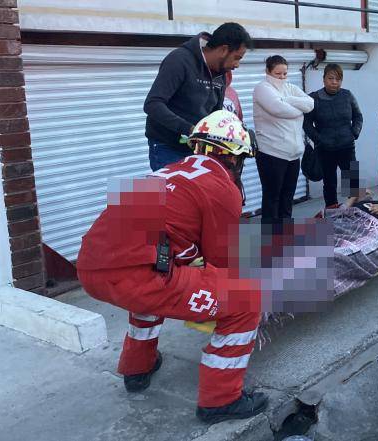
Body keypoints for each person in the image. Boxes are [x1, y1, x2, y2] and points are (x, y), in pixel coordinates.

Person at [77, 110, 268, 423]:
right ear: (234, 157)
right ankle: (220, 400)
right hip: (136, 274)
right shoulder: (222, 187)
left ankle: (137, 367)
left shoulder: (166, 172)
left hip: (90, 265)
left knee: (154, 285)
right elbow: (223, 262)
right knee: (246, 298)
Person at [144, 23, 252, 171]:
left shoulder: (221, 73)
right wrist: (190, 129)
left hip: (199, 148)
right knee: (169, 192)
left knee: (195, 193)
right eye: (237, 57)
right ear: (224, 49)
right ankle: (123, 195)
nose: (237, 65)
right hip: (167, 147)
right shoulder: (180, 60)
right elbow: (152, 104)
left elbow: (216, 114)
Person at [253, 55, 314, 222]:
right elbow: (279, 109)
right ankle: (269, 239)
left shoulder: (290, 88)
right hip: (271, 153)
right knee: (272, 198)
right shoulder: (262, 88)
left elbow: (310, 104)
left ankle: (285, 236)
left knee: (288, 197)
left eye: (284, 73)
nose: (281, 77)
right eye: (277, 73)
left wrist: (289, 100)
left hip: (293, 154)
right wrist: (298, 110)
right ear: (268, 71)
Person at [303, 64, 363, 208]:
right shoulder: (314, 98)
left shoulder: (347, 95)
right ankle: (332, 214)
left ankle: (355, 212)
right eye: (331, 78)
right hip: (325, 150)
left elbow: (358, 116)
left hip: (347, 147)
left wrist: (354, 133)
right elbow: (306, 123)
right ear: (323, 79)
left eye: (338, 79)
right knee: (329, 183)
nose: (334, 82)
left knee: (352, 184)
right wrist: (319, 139)